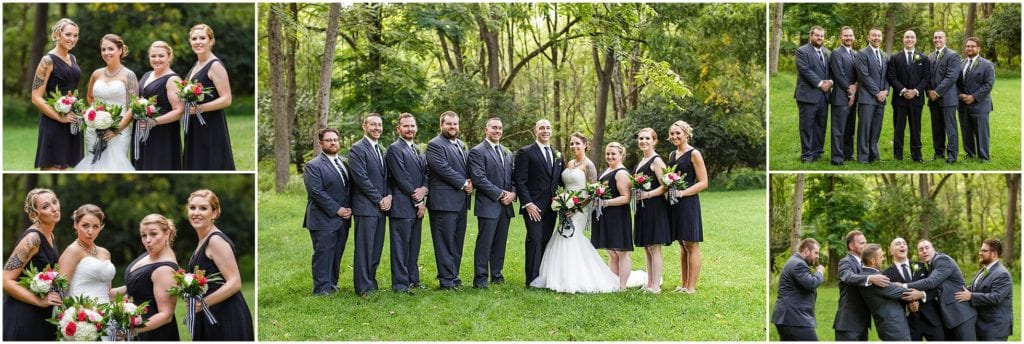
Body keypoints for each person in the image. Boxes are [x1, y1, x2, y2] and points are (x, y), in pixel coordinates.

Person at [530, 133, 619, 293]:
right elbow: (565, 185)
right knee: (561, 236)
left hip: (580, 208)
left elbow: (593, 191)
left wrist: (576, 207)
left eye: (577, 143)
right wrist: (562, 202)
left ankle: (577, 278)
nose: (574, 146)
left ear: (585, 144)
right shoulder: (569, 162)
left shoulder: (589, 165)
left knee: (573, 237)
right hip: (565, 205)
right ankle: (559, 276)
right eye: (572, 144)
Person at [184, 190, 254, 340]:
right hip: (211, 312)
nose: (196, 212)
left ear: (214, 213)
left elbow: (235, 282)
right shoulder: (203, 240)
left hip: (226, 314)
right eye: (192, 208)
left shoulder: (215, 241)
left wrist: (203, 303)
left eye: (203, 208)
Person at [3, 189, 63, 340]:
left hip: (41, 314)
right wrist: (40, 301)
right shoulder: (32, 239)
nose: (54, 208)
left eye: (54, 202)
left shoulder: (50, 235)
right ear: (35, 214)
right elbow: (5, 280)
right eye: (46, 206)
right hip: (24, 313)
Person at [75, 33, 137, 171]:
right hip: (94, 130)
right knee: (93, 164)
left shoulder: (129, 75)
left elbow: (134, 106)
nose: (106, 52)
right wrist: (95, 118)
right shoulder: (96, 73)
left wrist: (117, 128)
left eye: (110, 49)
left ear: (120, 50)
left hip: (119, 131)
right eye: (103, 49)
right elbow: (90, 97)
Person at [113, 214, 179, 340]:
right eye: (144, 235)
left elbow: (166, 315)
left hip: (154, 335)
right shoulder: (152, 253)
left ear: (167, 233)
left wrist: (130, 330)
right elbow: (137, 287)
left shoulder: (164, 270)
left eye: (153, 234)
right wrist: (106, 293)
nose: (148, 240)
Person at [302, 128, 352, 295]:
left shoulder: (345, 163)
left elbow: (349, 189)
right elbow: (316, 192)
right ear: (321, 143)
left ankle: (332, 284)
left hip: (344, 218)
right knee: (323, 254)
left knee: (337, 253)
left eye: (335, 140)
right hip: (322, 218)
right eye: (329, 140)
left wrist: (349, 208)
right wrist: (337, 210)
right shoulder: (313, 165)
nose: (333, 143)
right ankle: (321, 289)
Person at [514, 119, 563, 286]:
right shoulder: (526, 152)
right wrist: (527, 204)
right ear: (535, 131)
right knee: (534, 239)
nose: (545, 131)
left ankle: (543, 276)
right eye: (541, 128)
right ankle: (532, 279)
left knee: (546, 241)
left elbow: (560, 181)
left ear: (551, 131)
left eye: (548, 128)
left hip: (551, 207)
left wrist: (565, 199)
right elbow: (520, 180)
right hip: (533, 207)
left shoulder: (558, 154)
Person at [468, 118, 516, 289]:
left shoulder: (507, 152)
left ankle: (496, 274)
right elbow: (479, 178)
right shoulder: (477, 151)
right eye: (494, 127)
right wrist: (501, 194)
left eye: (500, 128)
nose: (497, 131)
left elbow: (513, 177)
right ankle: (480, 279)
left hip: (506, 206)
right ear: (485, 130)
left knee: (500, 243)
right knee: (484, 243)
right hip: (488, 204)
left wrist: (513, 193)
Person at [426, 111, 471, 290]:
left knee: (457, 241)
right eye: (449, 124)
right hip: (443, 202)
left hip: (460, 202)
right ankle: (445, 280)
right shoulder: (435, 145)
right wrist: (463, 183)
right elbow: (442, 168)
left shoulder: (460, 145)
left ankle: (454, 276)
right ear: (441, 125)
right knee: (444, 242)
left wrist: (471, 180)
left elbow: (466, 167)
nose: (452, 127)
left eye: (455, 124)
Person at [31, 19, 83, 170]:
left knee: (65, 166)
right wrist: (60, 117)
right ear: (57, 34)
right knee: (52, 165)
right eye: (68, 34)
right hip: (54, 121)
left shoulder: (73, 58)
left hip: (73, 120)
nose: (72, 39)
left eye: (75, 35)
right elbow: (36, 98)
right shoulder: (47, 61)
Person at [900, 240, 977, 340]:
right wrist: (922, 294)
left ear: (934, 249)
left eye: (927, 248)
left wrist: (903, 286)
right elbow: (936, 288)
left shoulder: (942, 260)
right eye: (921, 249)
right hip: (950, 317)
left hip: (961, 314)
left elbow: (931, 282)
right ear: (918, 254)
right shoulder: (931, 266)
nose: (924, 251)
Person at [349, 113, 391, 296]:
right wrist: (379, 199)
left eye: (380, 125)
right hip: (366, 207)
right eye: (373, 124)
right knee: (364, 248)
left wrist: (388, 196)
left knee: (376, 247)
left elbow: (385, 177)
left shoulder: (380, 149)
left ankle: (371, 281)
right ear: (364, 126)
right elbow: (361, 179)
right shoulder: (357, 149)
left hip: (381, 208)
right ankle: (362, 287)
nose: (377, 128)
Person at [183, 24, 235, 170]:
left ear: (210, 41)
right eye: (194, 38)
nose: (197, 42)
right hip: (194, 125)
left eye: (202, 38)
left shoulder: (215, 65)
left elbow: (226, 99)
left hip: (211, 125)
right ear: (190, 42)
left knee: (210, 161)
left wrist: (200, 108)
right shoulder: (196, 65)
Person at [385, 113, 427, 292]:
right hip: (402, 206)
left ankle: (413, 280)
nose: (410, 129)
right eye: (406, 126)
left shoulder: (417, 149)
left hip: (418, 204)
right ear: (398, 129)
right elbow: (401, 177)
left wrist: (425, 190)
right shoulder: (395, 149)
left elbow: (426, 174)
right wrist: (418, 201)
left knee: (413, 245)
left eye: (412, 126)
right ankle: (400, 284)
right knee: (400, 247)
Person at [665, 121, 706, 293]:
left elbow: (704, 182)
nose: (674, 136)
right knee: (682, 244)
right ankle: (683, 284)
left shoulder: (694, 154)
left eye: (678, 133)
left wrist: (683, 193)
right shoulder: (672, 155)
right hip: (674, 204)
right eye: (672, 134)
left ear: (686, 134)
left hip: (688, 202)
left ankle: (691, 287)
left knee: (691, 244)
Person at [133, 41, 184, 170]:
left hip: (162, 134)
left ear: (169, 57)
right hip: (141, 129)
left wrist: (154, 121)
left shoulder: (172, 79)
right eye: (153, 56)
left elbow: (179, 111)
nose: (157, 59)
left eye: (161, 56)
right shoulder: (146, 75)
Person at [633, 128, 672, 293]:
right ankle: (649, 282)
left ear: (654, 141)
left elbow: (665, 185)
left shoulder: (656, 161)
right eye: (641, 138)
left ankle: (655, 286)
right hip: (642, 208)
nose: (643, 141)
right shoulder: (642, 160)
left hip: (654, 206)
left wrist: (647, 194)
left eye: (647, 138)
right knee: (647, 246)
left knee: (654, 246)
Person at [591, 142, 634, 289]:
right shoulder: (608, 169)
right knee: (612, 252)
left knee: (621, 252)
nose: (610, 156)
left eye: (613, 154)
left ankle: (622, 286)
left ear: (621, 154)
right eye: (608, 154)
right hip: (606, 215)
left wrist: (605, 203)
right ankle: (613, 283)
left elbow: (626, 197)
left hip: (618, 216)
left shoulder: (621, 173)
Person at [883, 237, 943, 341]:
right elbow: (889, 301)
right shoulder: (886, 274)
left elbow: (934, 288)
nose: (902, 245)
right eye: (898, 244)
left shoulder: (921, 266)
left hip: (931, 319)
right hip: (908, 324)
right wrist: (907, 308)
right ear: (891, 251)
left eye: (904, 243)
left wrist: (922, 295)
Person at [834, 230, 890, 340]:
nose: (866, 245)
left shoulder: (868, 264)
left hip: (863, 323)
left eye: (866, 242)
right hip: (848, 324)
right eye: (862, 243)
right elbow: (848, 277)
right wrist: (870, 278)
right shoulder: (845, 262)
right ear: (851, 246)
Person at [954, 239, 1012, 341]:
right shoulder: (983, 270)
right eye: (980, 250)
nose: (980, 253)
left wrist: (971, 296)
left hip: (995, 328)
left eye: (984, 251)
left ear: (994, 254)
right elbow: (973, 288)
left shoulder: (1002, 274)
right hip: (981, 325)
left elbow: (996, 297)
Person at [887, 30, 931, 162]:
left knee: (916, 128)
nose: (909, 39)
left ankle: (917, 155)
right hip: (900, 99)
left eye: (912, 37)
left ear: (915, 40)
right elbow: (892, 77)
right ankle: (898, 155)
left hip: (916, 99)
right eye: (907, 37)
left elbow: (926, 78)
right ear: (903, 40)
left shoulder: (923, 58)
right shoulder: (895, 58)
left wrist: (915, 91)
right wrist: (904, 90)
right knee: (899, 127)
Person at [57, 205, 115, 305]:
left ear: (101, 227)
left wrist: (129, 287)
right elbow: (61, 292)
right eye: (85, 226)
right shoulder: (73, 251)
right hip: (80, 315)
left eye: (95, 226)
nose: (90, 232)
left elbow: (107, 293)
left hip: (105, 314)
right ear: (76, 224)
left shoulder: (105, 253)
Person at [771, 238, 825, 341]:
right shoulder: (798, 264)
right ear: (806, 251)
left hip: (788, 318)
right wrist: (820, 272)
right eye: (816, 253)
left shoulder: (795, 261)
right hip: (794, 319)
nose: (817, 256)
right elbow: (811, 283)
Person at [859, 244, 913, 340]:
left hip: (890, 326)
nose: (883, 259)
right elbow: (902, 292)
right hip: (893, 328)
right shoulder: (876, 279)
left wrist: (894, 284)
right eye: (881, 257)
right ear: (873, 261)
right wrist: (922, 292)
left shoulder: (868, 275)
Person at [794, 25, 832, 163]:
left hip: (824, 96)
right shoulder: (802, 51)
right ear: (811, 36)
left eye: (822, 36)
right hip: (807, 95)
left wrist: (831, 82)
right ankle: (807, 155)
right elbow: (805, 70)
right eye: (817, 35)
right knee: (806, 126)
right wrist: (821, 84)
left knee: (821, 125)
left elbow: (832, 71)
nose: (820, 38)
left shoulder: (828, 52)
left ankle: (817, 152)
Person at [957, 37, 995, 162]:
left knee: (981, 132)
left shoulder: (987, 64)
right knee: (966, 129)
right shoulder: (961, 63)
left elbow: (988, 84)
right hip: (963, 104)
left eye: (972, 46)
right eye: (967, 46)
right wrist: (961, 95)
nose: (969, 48)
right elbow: (956, 83)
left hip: (980, 104)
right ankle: (969, 153)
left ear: (978, 48)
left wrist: (973, 97)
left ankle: (984, 156)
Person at [855, 27, 890, 163]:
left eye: (879, 36)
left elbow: (887, 76)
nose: (876, 38)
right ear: (868, 37)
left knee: (876, 128)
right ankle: (863, 157)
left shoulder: (884, 55)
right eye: (874, 35)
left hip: (881, 98)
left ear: (881, 38)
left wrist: (885, 91)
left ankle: (874, 156)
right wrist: (877, 92)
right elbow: (864, 75)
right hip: (867, 97)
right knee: (864, 128)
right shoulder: (862, 54)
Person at [927, 31, 962, 163]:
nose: (937, 39)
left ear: (945, 39)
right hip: (932, 99)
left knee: (950, 128)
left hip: (948, 99)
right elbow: (927, 77)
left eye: (940, 37)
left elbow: (951, 77)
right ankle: (938, 153)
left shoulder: (953, 56)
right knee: (936, 128)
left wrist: (937, 92)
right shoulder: (930, 56)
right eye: (935, 37)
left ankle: (952, 156)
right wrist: (929, 91)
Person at [828, 26, 858, 165]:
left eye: (850, 35)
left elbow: (859, 74)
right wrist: (849, 91)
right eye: (845, 35)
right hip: (840, 96)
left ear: (854, 37)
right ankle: (837, 157)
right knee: (838, 129)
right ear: (841, 37)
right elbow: (839, 75)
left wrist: (856, 87)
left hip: (854, 96)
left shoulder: (855, 54)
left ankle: (848, 154)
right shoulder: (836, 53)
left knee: (850, 128)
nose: (848, 38)